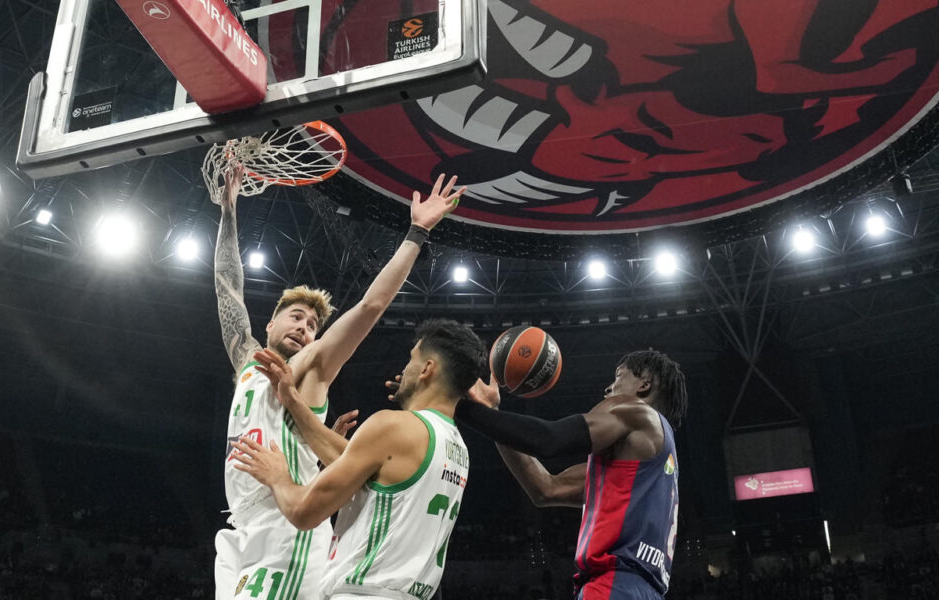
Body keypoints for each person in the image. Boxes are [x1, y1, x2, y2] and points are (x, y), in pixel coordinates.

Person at [213, 165, 465, 600]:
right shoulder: (247, 362)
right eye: (296, 316)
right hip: (243, 526)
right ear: (270, 323)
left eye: (312, 324)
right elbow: (226, 288)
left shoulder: (309, 368)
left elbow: (371, 306)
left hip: (285, 527)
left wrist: (416, 234)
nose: (304, 328)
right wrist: (228, 209)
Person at [229, 319, 485, 600]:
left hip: (363, 592)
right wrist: (292, 400)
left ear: (426, 369)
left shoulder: (392, 426)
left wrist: (279, 478)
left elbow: (303, 512)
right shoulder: (456, 447)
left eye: (411, 360)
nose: (404, 369)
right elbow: (358, 463)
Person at [457, 350, 687, 600]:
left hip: (614, 586)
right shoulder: (652, 465)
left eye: (619, 377)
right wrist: (492, 413)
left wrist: (455, 405)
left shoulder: (636, 412)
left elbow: (549, 440)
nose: (608, 389)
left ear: (644, 384)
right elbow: (546, 489)